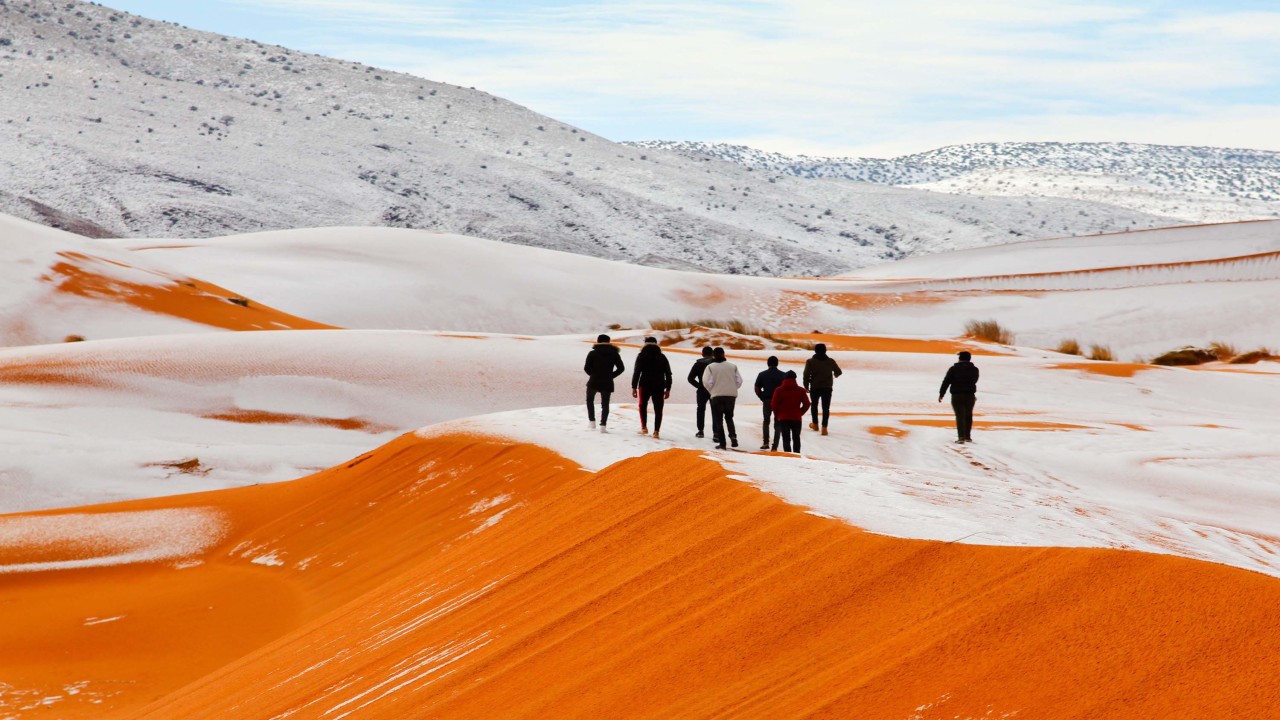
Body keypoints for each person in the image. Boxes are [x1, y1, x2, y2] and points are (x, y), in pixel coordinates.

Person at [631, 337, 672, 439]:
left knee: (642, 405)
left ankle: (644, 427)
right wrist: (668, 388)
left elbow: (637, 372)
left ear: (645, 344)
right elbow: (668, 374)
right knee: (658, 408)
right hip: (659, 385)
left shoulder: (641, 356)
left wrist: (634, 387)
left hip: (644, 384)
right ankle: (656, 431)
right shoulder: (662, 357)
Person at [701, 346, 742, 450]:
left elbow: (706, 382)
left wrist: (712, 390)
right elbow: (739, 381)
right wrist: (732, 388)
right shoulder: (733, 366)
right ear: (724, 354)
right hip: (731, 396)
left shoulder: (710, 367)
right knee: (729, 418)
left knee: (719, 420)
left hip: (716, 396)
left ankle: (722, 443)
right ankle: (733, 437)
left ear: (713, 356)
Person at [583, 333, 625, 433]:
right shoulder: (614, 353)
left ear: (598, 341)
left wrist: (593, 375)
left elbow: (586, 368)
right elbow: (621, 368)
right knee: (605, 404)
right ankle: (603, 425)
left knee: (590, 400)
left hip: (594, 380)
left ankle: (592, 422)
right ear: (609, 342)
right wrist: (611, 376)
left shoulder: (592, 353)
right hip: (607, 381)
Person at [939, 350, 980, 443]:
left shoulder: (953, 369)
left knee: (960, 416)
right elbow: (975, 380)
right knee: (968, 415)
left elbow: (946, 381)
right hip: (970, 395)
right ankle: (967, 437)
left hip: (957, 395)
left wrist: (942, 394)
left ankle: (961, 437)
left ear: (960, 358)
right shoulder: (975, 369)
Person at [803, 343, 842, 435]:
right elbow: (839, 372)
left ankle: (815, 425)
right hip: (827, 387)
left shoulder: (810, 362)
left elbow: (806, 375)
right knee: (826, 408)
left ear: (815, 351)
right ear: (825, 351)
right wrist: (834, 376)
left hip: (815, 387)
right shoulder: (831, 361)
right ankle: (824, 428)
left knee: (814, 406)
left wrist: (806, 386)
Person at [771, 370, 811, 454]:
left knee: (786, 439)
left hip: (783, 418)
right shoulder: (800, 390)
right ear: (795, 379)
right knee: (796, 438)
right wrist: (800, 412)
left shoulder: (779, 390)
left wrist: (778, 414)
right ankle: (797, 454)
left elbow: (774, 404)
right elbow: (807, 404)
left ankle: (788, 455)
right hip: (796, 418)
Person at [754, 356, 787, 450]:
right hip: (779, 402)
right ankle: (775, 446)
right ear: (777, 363)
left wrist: (762, 397)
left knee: (766, 421)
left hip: (767, 400)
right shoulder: (783, 375)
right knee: (778, 423)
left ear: (768, 363)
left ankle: (765, 443)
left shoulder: (762, 374)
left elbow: (757, 389)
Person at [686, 346, 715, 438]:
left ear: (702, 354)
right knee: (715, 411)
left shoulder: (698, 364)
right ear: (713, 354)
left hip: (702, 390)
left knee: (701, 410)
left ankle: (700, 431)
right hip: (714, 390)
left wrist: (699, 386)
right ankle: (716, 433)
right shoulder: (716, 364)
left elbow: (690, 378)